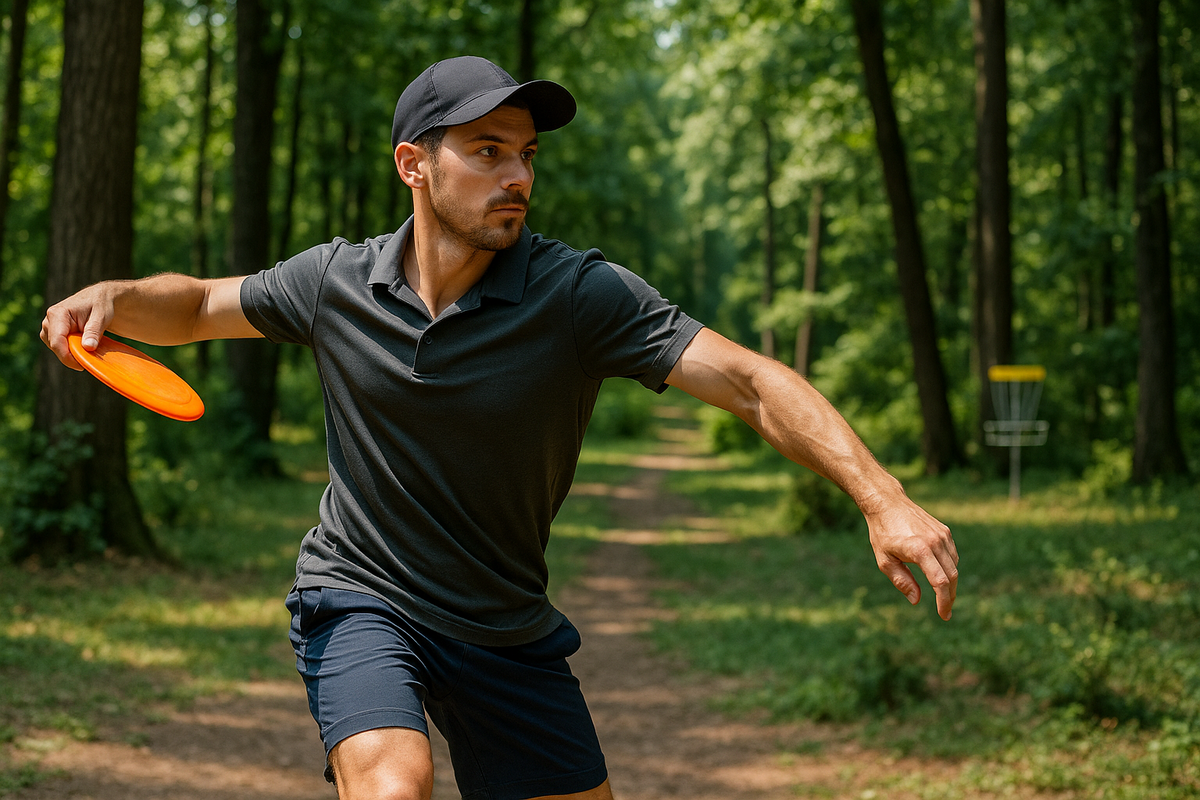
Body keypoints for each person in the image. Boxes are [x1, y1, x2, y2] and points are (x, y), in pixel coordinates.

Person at [41, 56, 958, 800]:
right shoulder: (337, 283)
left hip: (503, 626)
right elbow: (201, 304)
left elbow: (754, 383)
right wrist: (114, 297)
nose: (517, 175)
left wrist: (883, 496)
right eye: (487, 151)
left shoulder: (577, 296)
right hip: (361, 595)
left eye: (525, 155)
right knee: (393, 788)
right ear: (414, 164)